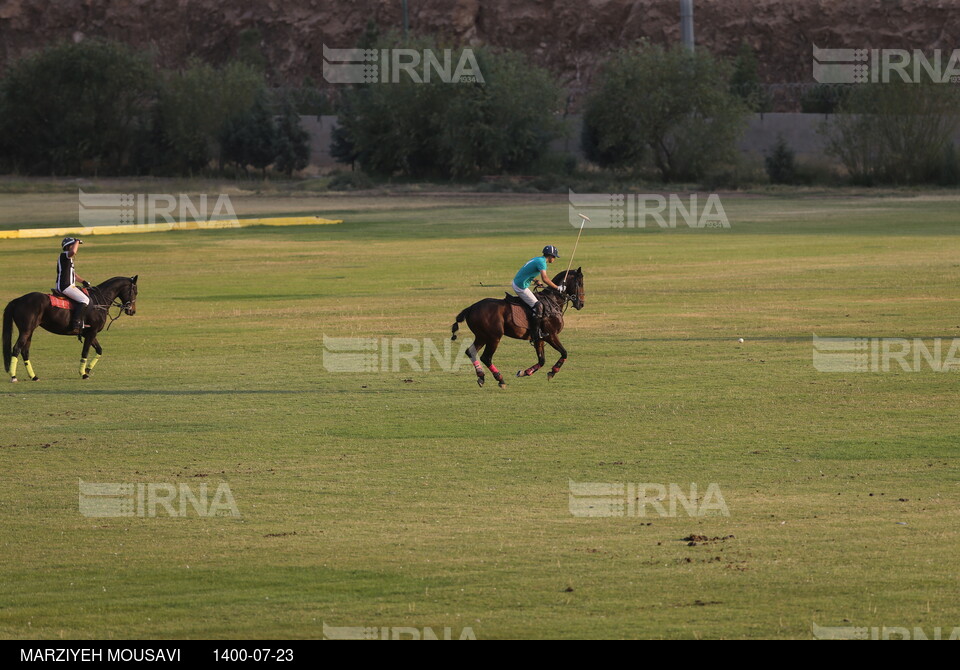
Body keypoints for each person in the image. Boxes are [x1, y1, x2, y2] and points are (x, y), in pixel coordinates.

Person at [512, 245, 564, 340]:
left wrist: (535, 280)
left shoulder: (538, 259)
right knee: (538, 305)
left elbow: (527, 272)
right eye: (554, 257)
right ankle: (535, 333)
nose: (554, 259)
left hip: (518, 282)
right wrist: (557, 288)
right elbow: (545, 279)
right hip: (521, 286)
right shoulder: (542, 263)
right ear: (550, 256)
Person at [57, 237, 91, 333]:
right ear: (68, 246)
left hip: (69, 285)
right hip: (66, 286)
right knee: (85, 299)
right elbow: (73, 252)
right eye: (73, 246)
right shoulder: (65, 255)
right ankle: (76, 323)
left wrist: (84, 281)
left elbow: (73, 275)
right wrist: (77, 241)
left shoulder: (68, 259)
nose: (75, 248)